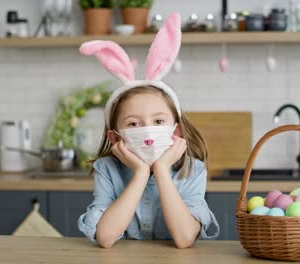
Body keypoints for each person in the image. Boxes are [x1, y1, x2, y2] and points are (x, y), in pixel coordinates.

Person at [77, 13, 219, 249]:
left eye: (159, 121)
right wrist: (141, 173)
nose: (148, 132)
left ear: (177, 132)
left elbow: (184, 238)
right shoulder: (108, 169)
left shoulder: (193, 171)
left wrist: (161, 169)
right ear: (115, 137)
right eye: (134, 124)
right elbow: (105, 237)